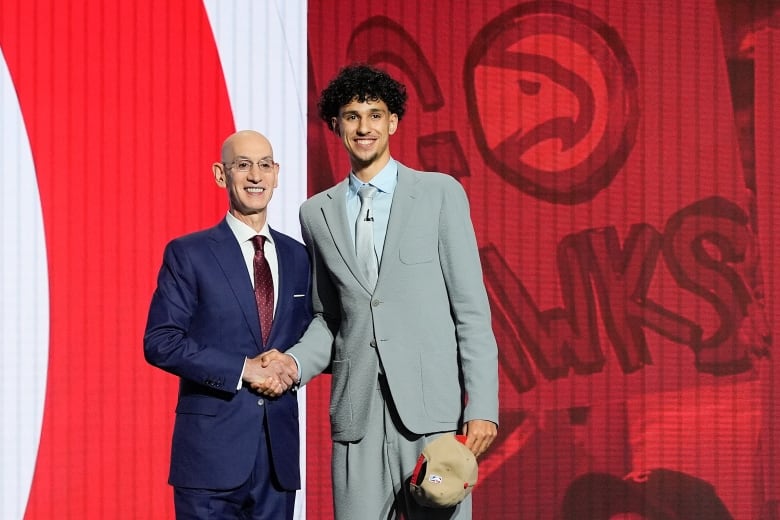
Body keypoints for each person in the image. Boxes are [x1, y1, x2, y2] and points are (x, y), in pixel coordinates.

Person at [264, 63, 499, 519]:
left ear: (393, 122)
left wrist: (483, 405)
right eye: (352, 116)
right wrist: (293, 363)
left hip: (433, 419)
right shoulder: (316, 213)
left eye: (375, 114)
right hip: (358, 418)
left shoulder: (438, 194)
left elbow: (470, 311)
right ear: (336, 125)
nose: (364, 126)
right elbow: (328, 319)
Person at [143, 130, 312, 519]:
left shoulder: (299, 256)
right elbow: (161, 341)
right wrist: (243, 369)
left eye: (264, 165)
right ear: (221, 175)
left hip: (277, 461)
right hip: (208, 460)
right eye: (243, 165)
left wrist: (294, 365)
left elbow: (315, 334)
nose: (255, 175)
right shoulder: (189, 254)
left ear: (277, 174)